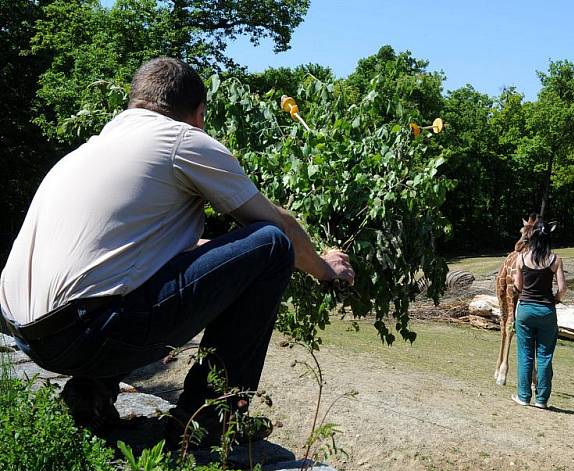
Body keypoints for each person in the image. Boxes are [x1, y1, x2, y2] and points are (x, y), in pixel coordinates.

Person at [0, 57, 354, 444]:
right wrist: (325, 268)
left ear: (134, 101)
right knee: (270, 246)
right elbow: (279, 225)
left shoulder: (89, 150)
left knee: (121, 282)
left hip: (27, 334)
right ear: (199, 113)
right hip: (87, 334)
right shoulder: (181, 139)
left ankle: (90, 397)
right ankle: (210, 419)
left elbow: (139, 256)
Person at [511, 217, 566, 409]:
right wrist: (555, 299)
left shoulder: (521, 258)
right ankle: (541, 400)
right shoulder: (555, 259)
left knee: (525, 354)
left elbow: (518, 286)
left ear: (532, 237)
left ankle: (523, 396)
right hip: (547, 312)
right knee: (544, 356)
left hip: (525, 310)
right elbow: (562, 289)